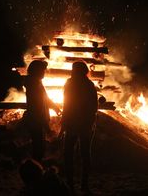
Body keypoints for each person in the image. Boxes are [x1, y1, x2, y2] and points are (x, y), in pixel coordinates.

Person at [60, 60, 98, 193]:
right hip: (84, 124)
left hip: (72, 123)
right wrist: (90, 122)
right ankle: (84, 184)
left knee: (68, 154)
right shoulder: (89, 84)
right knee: (85, 154)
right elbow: (94, 106)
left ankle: (71, 183)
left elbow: (66, 105)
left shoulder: (69, 83)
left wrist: (64, 123)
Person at [24, 60, 61, 162]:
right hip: (36, 121)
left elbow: (45, 99)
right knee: (38, 148)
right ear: (37, 71)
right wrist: (46, 126)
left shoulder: (37, 83)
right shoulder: (33, 85)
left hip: (38, 121)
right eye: (42, 70)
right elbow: (37, 108)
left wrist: (54, 107)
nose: (44, 72)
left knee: (39, 147)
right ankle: (35, 169)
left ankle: (37, 168)